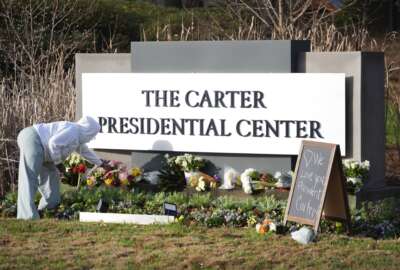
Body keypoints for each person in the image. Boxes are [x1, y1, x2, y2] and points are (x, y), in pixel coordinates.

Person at [16, 116, 103, 220]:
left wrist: (101, 163)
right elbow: (53, 143)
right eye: (93, 134)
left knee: (52, 178)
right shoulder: (73, 131)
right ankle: (27, 217)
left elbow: (85, 151)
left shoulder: (77, 136)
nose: (92, 137)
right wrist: (59, 164)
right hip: (33, 139)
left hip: (45, 150)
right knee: (29, 178)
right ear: (88, 130)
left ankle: (47, 210)